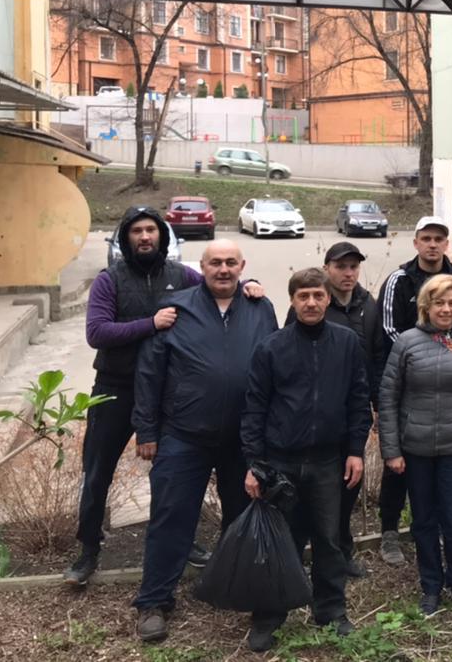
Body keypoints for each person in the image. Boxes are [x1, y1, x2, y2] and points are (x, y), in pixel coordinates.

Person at [65, 206, 265, 586]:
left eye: (151, 231)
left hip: (167, 392)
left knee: (171, 476)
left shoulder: (181, 275)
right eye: (137, 231)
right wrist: (149, 324)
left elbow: (218, 279)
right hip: (116, 388)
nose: (145, 237)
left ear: (162, 237)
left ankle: (183, 542)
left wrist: (250, 283)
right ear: (126, 239)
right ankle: (88, 549)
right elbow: (97, 333)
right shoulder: (111, 280)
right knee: (96, 473)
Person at [131, 240, 279, 643]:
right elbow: (150, 372)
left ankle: (240, 589)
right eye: (216, 262)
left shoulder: (260, 307)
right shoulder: (176, 310)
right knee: (171, 518)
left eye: (232, 262)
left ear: (243, 267)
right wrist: (146, 430)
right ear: (203, 266)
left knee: (244, 519)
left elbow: (273, 367)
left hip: (243, 440)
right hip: (184, 436)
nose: (224, 269)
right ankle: (154, 601)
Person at [241, 267, 371, 653]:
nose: (311, 303)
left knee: (329, 540)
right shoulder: (271, 348)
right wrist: (255, 464)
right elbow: (254, 409)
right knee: (281, 544)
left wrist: (355, 450)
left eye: (318, 295)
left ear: (328, 298)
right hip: (280, 462)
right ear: (293, 301)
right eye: (303, 297)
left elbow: (358, 401)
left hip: (329, 461)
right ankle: (269, 615)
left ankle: (330, 609)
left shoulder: (347, 343)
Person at [379, 274, 452, 618]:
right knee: (423, 522)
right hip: (415, 451)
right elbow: (388, 397)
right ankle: (431, 586)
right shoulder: (406, 343)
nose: (446, 309)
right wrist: (391, 450)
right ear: (425, 306)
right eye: (439, 302)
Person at [374, 216, 452, 567]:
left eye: (439, 238)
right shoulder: (398, 281)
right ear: (416, 242)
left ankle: (451, 535)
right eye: (426, 238)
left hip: (451, 389)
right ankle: (390, 530)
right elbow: (389, 330)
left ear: (446, 243)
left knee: (450, 472)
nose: (433, 244)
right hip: (408, 383)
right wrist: (419, 355)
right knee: (399, 465)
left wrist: (446, 358)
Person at [307, 241, 381, 577]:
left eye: (353, 267)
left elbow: (379, 356)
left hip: (355, 409)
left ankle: (342, 551)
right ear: (327, 269)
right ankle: (313, 552)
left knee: (349, 483)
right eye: (341, 267)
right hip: (316, 411)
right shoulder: (315, 303)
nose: (348, 273)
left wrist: (379, 405)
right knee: (315, 488)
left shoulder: (369, 305)